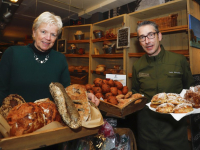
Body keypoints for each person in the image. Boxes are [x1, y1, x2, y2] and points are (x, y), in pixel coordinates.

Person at [0, 11, 99, 106]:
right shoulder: (13, 53)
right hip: (15, 119)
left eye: (53, 34)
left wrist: (85, 95)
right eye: (43, 32)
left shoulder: (60, 59)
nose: (48, 38)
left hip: (49, 119)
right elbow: (1, 89)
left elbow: (66, 91)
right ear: (34, 32)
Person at [132, 21, 194, 150]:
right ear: (139, 41)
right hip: (147, 132)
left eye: (151, 35)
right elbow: (135, 92)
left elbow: (189, 90)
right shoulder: (137, 66)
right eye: (142, 37)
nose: (147, 41)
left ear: (159, 36)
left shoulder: (179, 60)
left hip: (175, 131)